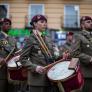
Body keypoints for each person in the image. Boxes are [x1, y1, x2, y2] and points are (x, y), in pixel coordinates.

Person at [20, 14, 60, 92]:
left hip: (50, 78)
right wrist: (35, 67)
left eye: (45, 22)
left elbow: (52, 57)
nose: (45, 24)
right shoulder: (30, 38)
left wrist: (61, 55)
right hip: (37, 80)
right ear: (35, 24)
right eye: (42, 22)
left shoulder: (48, 38)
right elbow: (23, 58)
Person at [0, 18, 18, 92]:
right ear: (1, 25)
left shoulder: (13, 39)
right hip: (1, 70)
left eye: (9, 24)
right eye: (6, 23)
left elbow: (16, 52)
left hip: (11, 70)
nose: (8, 25)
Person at [76, 16, 92, 92]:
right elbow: (74, 53)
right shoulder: (78, 36)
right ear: (82, 25)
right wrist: (89, 58)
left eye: (91, 22)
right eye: (88, 22)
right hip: (87, 73)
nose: (91, 23)